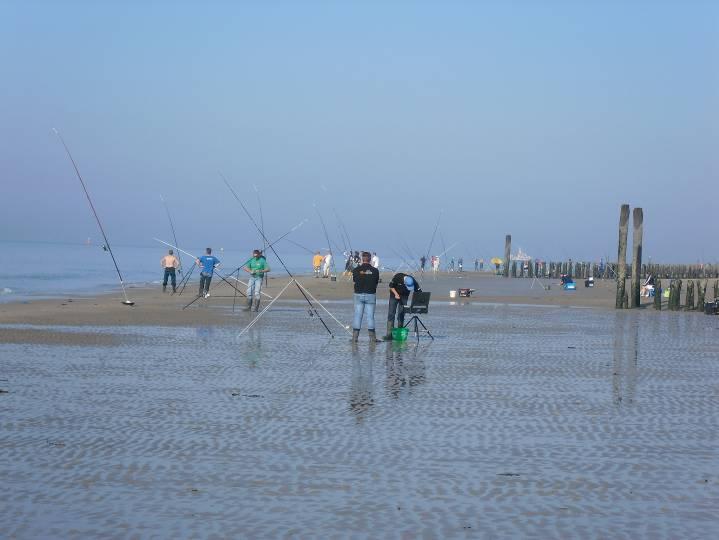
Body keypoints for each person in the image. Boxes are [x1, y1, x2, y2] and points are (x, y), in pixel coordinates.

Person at [351, 251, 380, 342]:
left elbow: (355, 280)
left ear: (362, 259)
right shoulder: (375, 271)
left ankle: (355, 338)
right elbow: (376, 282)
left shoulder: (356, 270)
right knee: (370, 316)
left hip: (359, 294)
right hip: (370, 294)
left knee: (358, 315)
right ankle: (372, 338)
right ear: (370, 259)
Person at [383, 272, 422, 340]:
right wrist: (396, 294)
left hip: (404, 297)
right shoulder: (398, 277)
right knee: (391, 314)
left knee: (401, 314)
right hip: (394, 295)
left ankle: (399, 333)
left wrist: (419, 301)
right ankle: (389, 335)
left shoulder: (412, 280)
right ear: (404, 282)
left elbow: (419, 291)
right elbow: (391, 286)